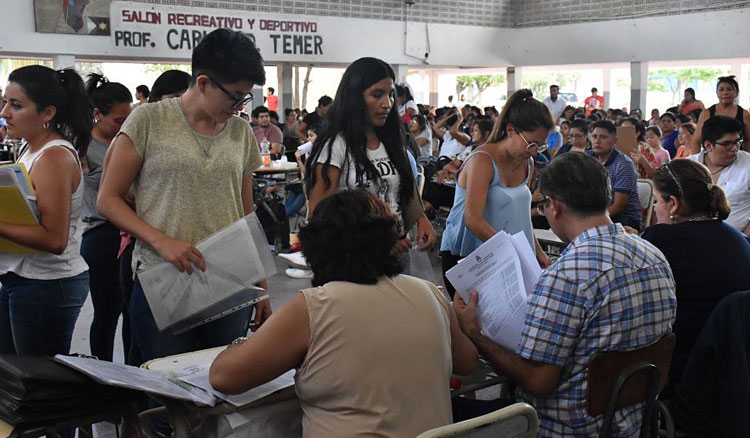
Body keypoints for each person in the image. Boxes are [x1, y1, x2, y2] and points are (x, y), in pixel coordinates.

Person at [210, 190, 478, 438]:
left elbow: (224, 377)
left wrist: (240, 345)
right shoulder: (428, 292)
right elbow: (467, 362)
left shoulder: (313, 307)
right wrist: (463, 325)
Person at [454, 151, 676, 436]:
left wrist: (474, 333)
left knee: (451, 412)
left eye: (543, 206)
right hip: (634, 423)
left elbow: (537, 381)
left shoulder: (568, 274)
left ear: (554, 206)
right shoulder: (655, 256)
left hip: (562, 427)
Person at [97, 29, 272, 365]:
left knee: (219, 385)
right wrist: (161, 241)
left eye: (245, 98)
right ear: (203, 83)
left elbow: (245, 213)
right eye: (235, 96)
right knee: (168, 392)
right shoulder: (149, 120)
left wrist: (260, 285)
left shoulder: (239, 131)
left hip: (230, 279)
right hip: (163, 278)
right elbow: (108, 199)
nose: (239, 106)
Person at [0, 65, 93, 355]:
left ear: (48, 113)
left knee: (40, 385)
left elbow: (54, 240)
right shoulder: (31, 148)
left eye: (16, 105)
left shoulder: (54, 157)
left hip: (47, 286)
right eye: (5, 102)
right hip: (23, 278)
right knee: (15, 375)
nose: (4, 113)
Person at [305, 57, 435, 255]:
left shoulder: (392, 141)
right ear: (354, 97)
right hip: (354, 264)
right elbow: (320, 217)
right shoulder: (336, 146)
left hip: (397, 257)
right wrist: (380, 240)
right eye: (377, 95)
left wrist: (421, 219)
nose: (387, 104)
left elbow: (401, 190)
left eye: (391, 95)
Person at [641, 159, 750, 390]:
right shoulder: (740, 240)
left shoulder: (661, 240)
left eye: (656, 201)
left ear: (673, 204)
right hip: (733, 368)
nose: (655, 208)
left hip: (684, 368)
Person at [440, 89, 552, 297]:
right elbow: (473, 220)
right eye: (532, 144)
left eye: (541, 145)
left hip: (504, 254)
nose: (535, 151)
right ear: (511, 130)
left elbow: (520, 216)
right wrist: (513, 251)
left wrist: (536, 251)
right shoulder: (482, 160)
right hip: (470, 257)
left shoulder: (526, 162)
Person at [80, 73, 133, 362]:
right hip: (101, 236)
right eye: (118, 121)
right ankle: (103, 376)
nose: (124, 126)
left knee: (131, 312)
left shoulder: (127, 142)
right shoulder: (82, 148)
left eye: (129, 119)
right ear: (97, 114)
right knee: (106, 313)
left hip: (130, 233)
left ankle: (131, 379)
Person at [688, 115, 750, 235]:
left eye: (737, 142)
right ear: (708, 146)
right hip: (692, 238)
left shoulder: (747, 165)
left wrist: (745, 240)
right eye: (727, 144)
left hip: (738, 242)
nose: (734, 148)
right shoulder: (688, 167)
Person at [589, 120, 642, 230]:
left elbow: (618, 206)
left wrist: (591, 222)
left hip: (625, 219)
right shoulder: (588, 159)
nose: (597, 141)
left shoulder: (624, 164)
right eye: (594, 136)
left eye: (603, 137)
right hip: (598, 213)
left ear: (615, 141)